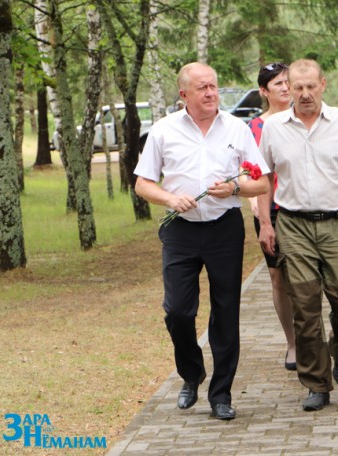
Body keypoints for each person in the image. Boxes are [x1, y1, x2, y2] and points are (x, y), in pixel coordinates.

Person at [134, 62, 270, 421]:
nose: (211, 93)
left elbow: (262, 183)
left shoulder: (237, 128)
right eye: (203, 88)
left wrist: (235, 188)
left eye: (214, 86)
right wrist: (169, 198)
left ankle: (221, 394)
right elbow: (142, 183)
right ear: (184, 95)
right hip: (180, 228)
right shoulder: (163, 130)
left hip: (224, 226)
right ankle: (191, 374)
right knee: (178, 311)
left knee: (226, 311)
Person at [257, 59, 338, 412]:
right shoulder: (274, 128)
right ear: (287, 88)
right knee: (305, 306)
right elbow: (264, 178)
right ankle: (316, 383)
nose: (305, 94)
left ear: (323, 84)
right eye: (298, 87)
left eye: (311, 86)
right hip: (292, 224)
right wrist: (266, 223)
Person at [247, 62, 297, 371]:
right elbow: (248, 169)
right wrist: (256, 202)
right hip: (271, 210)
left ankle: (311, 337)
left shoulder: (305, 117)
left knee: (307, 277)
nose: (285, 87)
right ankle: (292, 342)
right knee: (279, 278)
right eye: (277, 83)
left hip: (302, 207)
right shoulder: (253, 127)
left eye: (287, 81)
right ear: (264, 91)